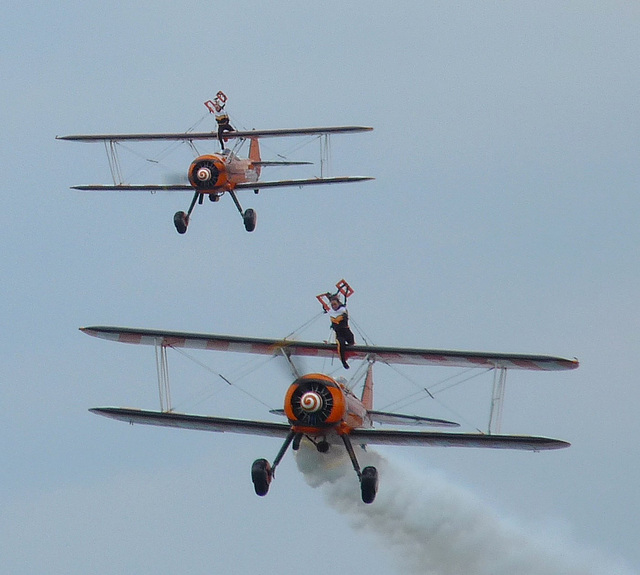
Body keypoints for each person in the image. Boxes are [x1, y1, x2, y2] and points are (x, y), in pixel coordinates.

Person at [326, 294, 355, 369]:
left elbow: (344, 311)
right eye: (332, 305)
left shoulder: (342, 310)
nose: (333, 306)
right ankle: (343, 362)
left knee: (352, 342)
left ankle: (351, 355)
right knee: (341, 343)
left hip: (347, 333)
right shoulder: (331, 312)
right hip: (339, 334)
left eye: (335, 304)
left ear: (338, 303)